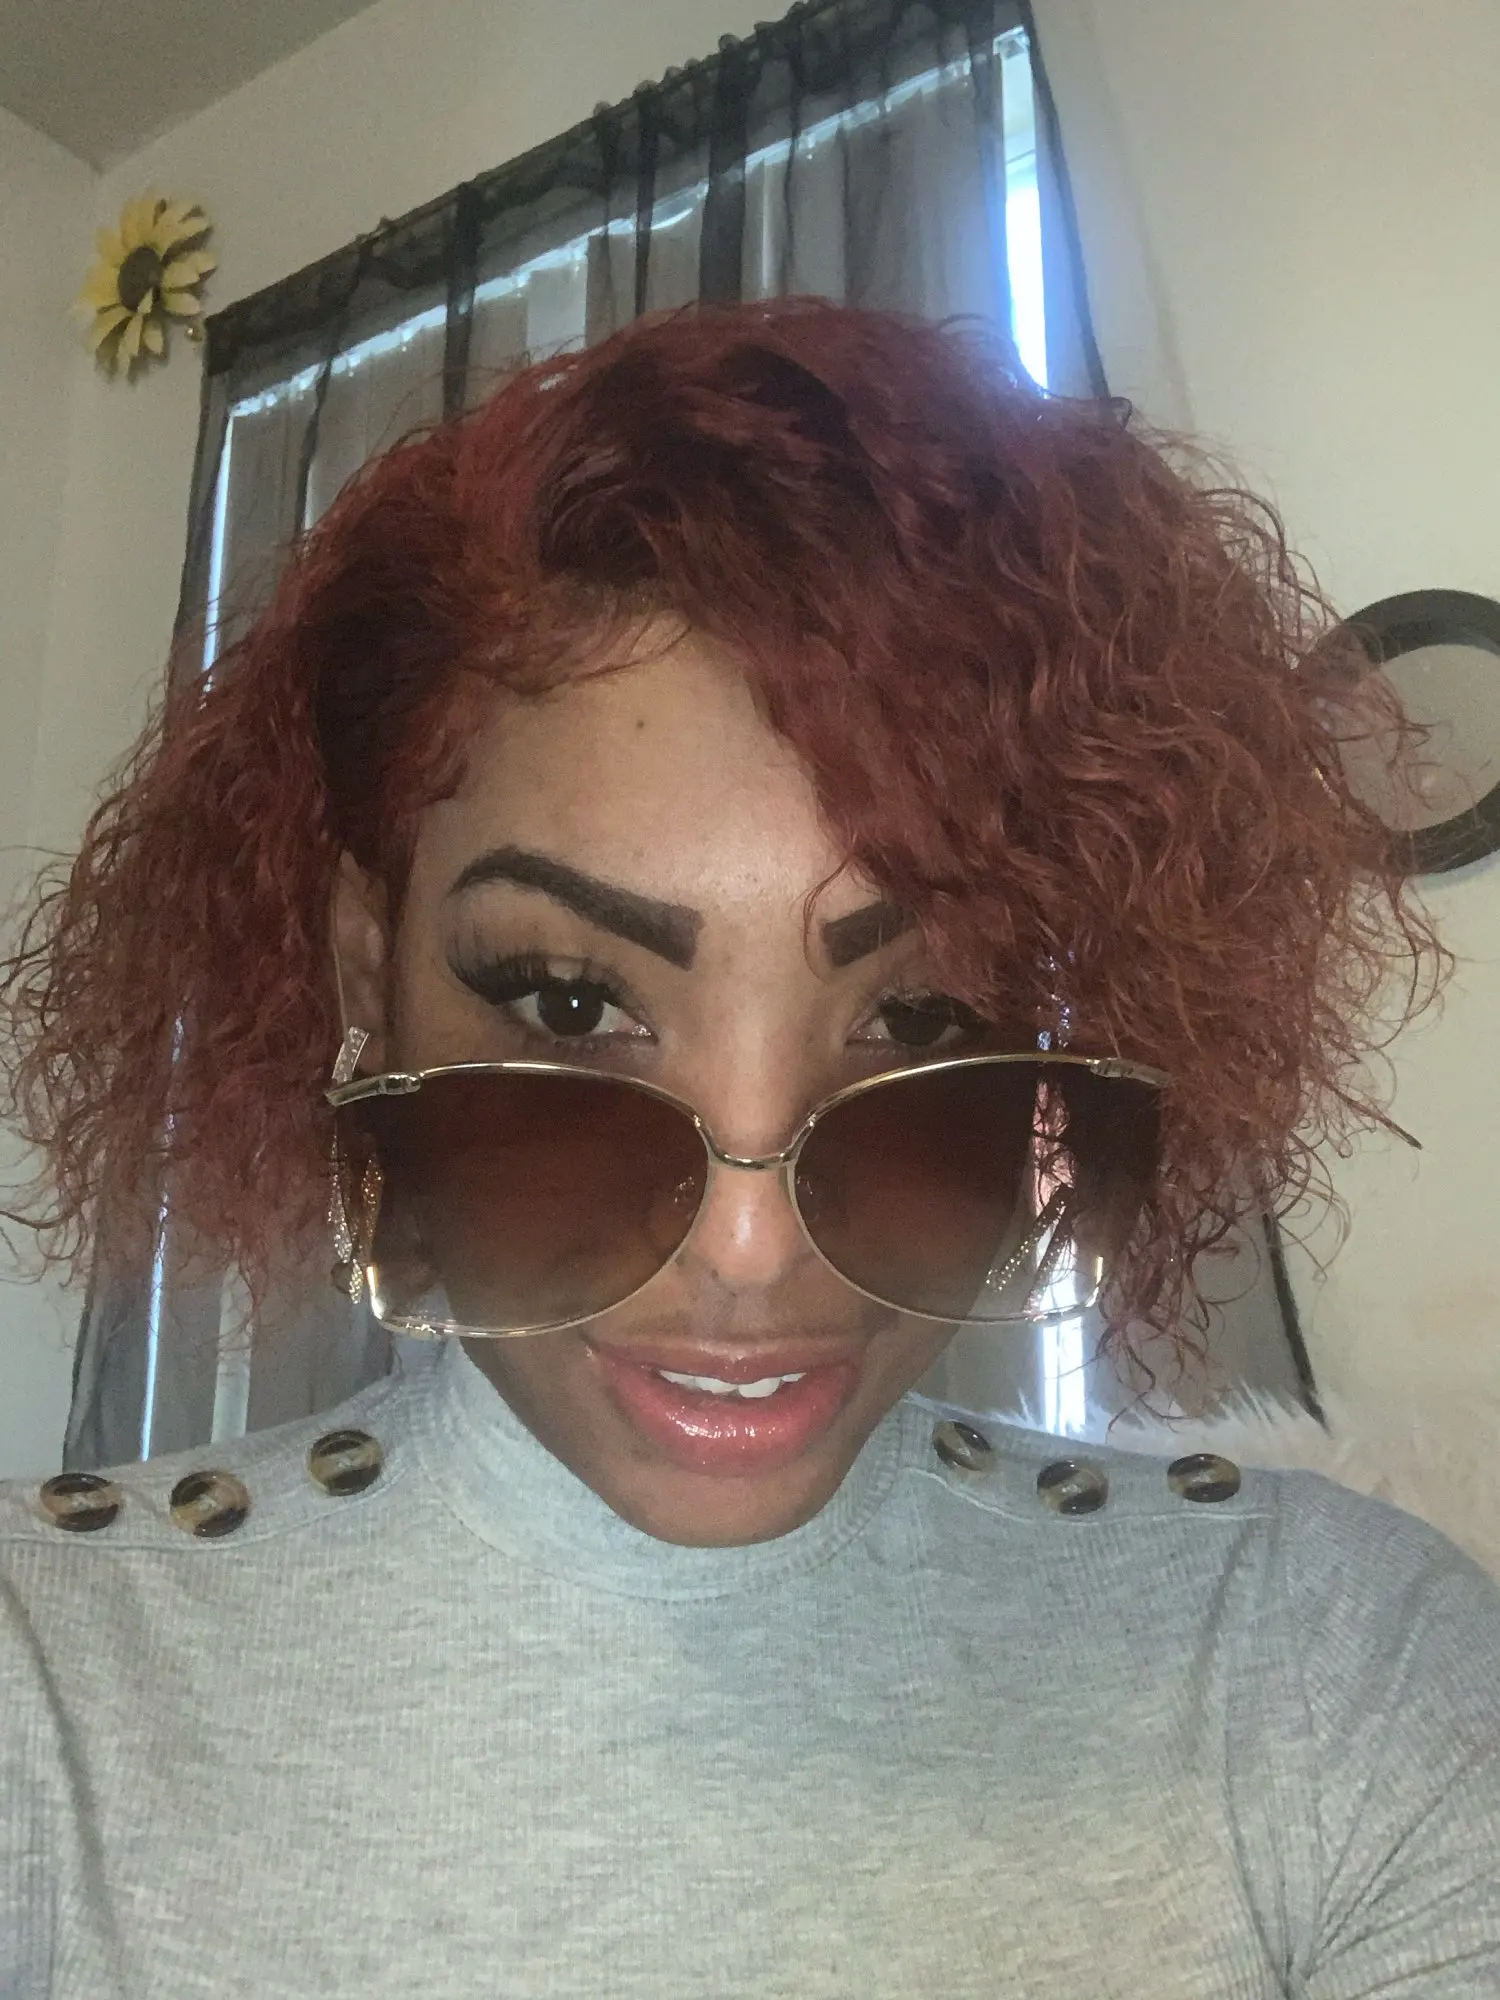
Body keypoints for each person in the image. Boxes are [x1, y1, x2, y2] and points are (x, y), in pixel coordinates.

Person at [0, 297, 1495, 1997]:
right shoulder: (45, 1688)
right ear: (367, 977)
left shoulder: (1328, 1660)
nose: (749, 1250)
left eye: (926, 1018)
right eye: (570, 1003)